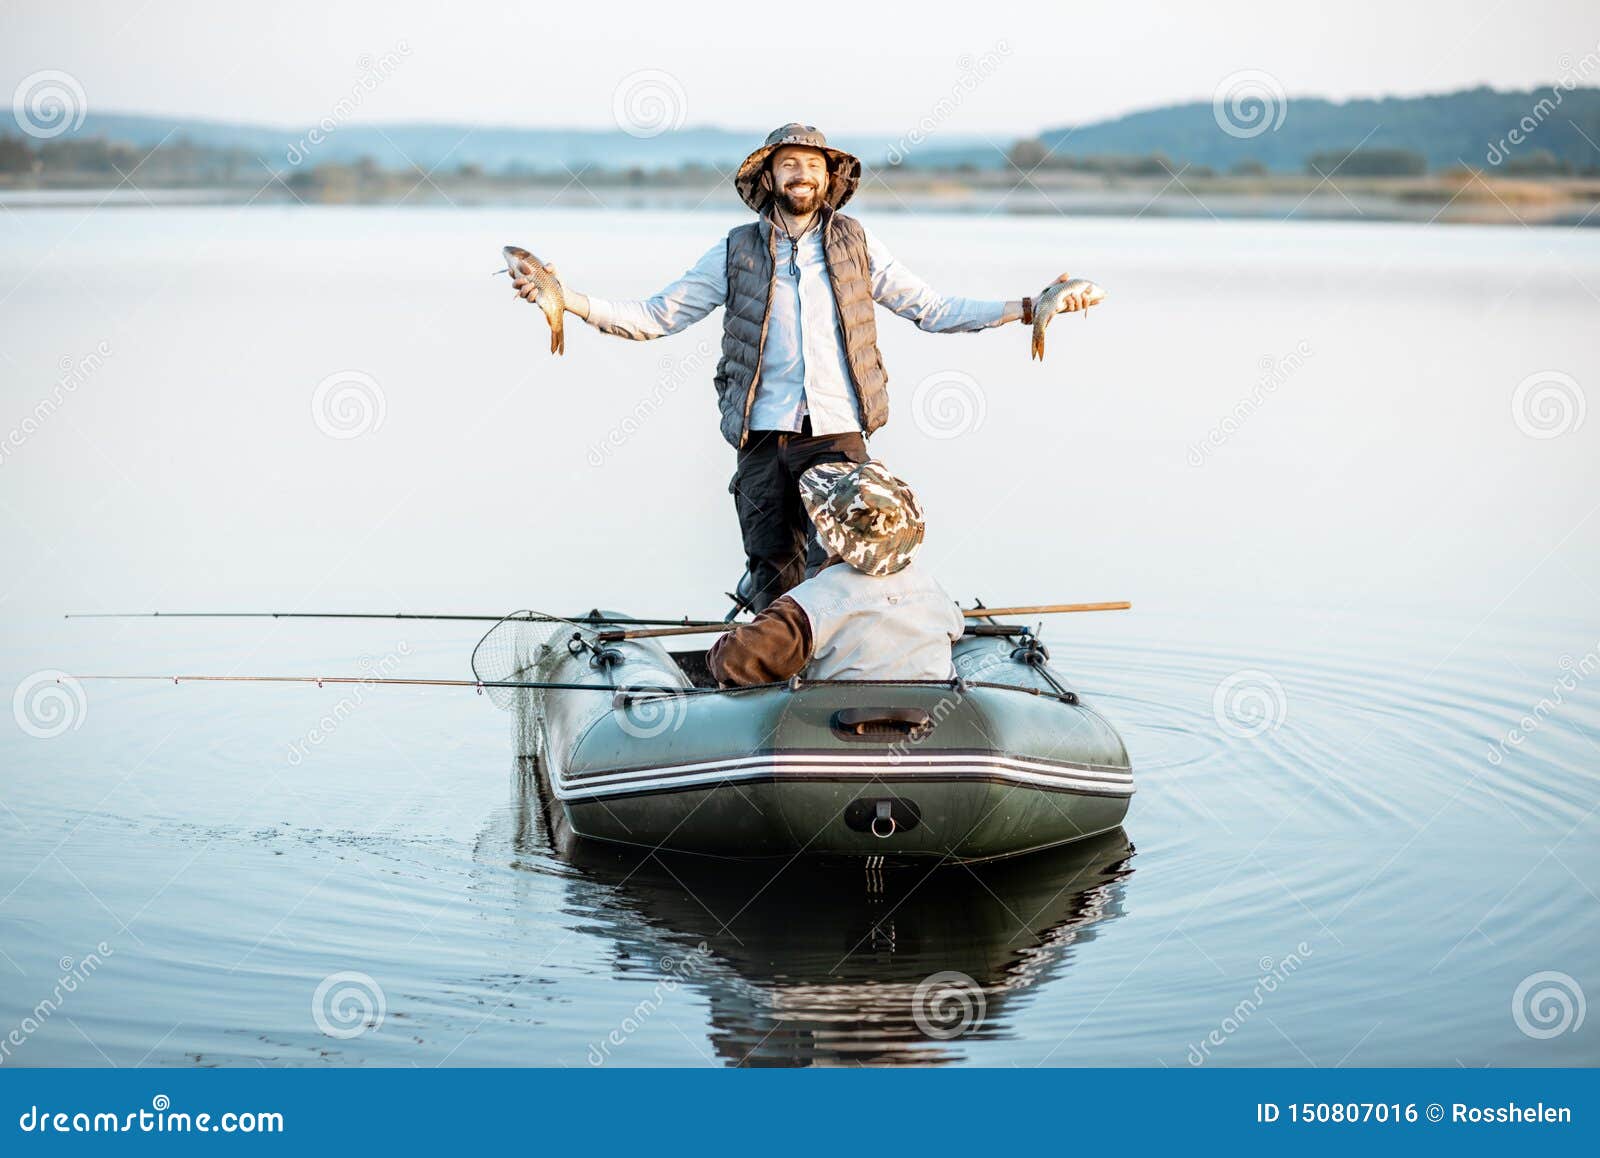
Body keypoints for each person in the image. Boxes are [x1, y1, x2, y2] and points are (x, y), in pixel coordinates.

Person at [511, 123, 1096, 612]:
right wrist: (568, 300)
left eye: (812, 164)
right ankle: (776, 686)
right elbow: (657, 316)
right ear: (769, 178)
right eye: (788, 164)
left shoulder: (858, 245)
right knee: (772, 575)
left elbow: (933, 309)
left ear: (829, 178)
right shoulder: (735, 249)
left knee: (848, 570)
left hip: (839, 438)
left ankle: (845, 678)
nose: (801, 174)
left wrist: (1028, 308)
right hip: (763, 437)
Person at [707, 460, 963, 685]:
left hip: (838, 731)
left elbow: (731, 660)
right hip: (933, 727)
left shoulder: (808, 603)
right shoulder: (933, 591)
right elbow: (955, 632)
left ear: (826, 532)